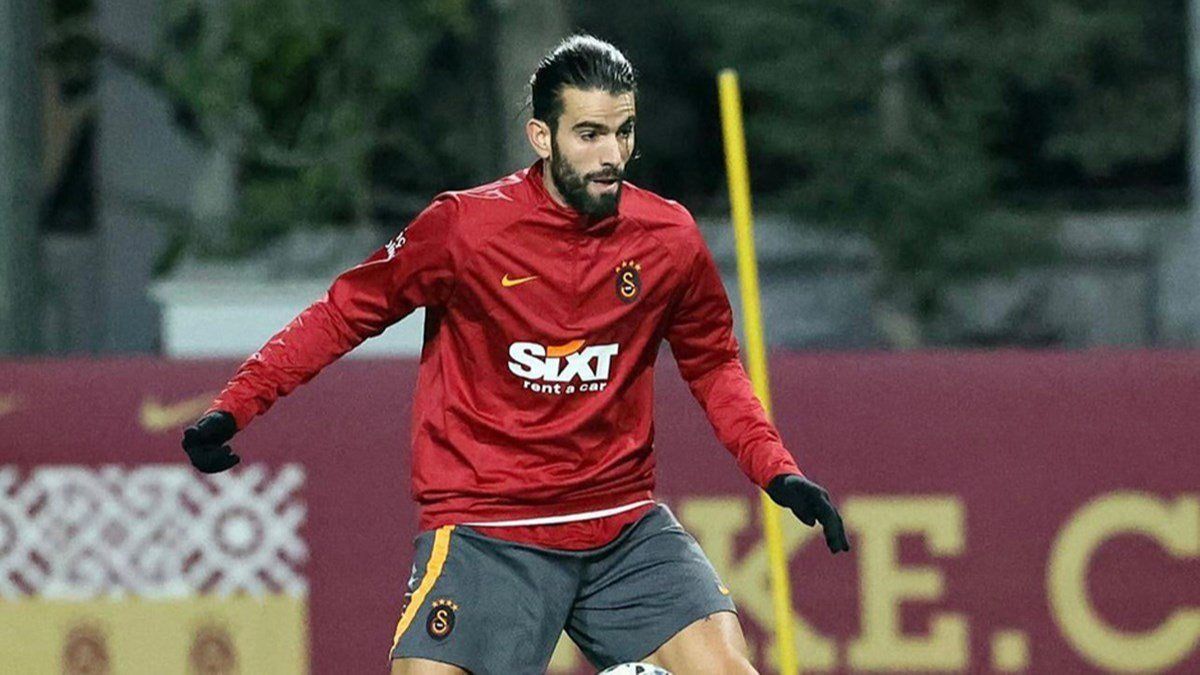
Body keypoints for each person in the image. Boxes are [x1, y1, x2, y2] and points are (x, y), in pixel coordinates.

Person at [181, 34, 850, 675]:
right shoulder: (464, 229)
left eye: (623, 132)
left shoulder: (668, 238)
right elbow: (343, 314)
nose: (611, 154)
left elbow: (712, 364)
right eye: (589, 134)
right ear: (541, 136)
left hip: (620, 524)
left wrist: (777, 471)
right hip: (487, 527)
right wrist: (235, 406)